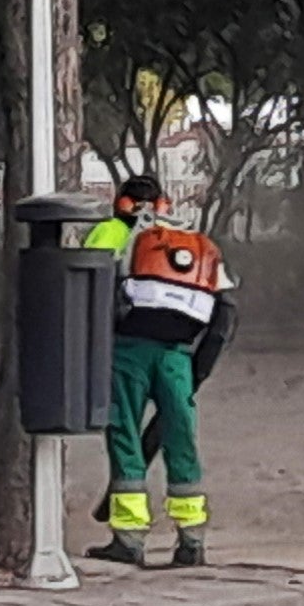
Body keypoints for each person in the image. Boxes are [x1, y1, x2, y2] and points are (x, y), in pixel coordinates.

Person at [86, 178, 230, 570]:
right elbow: (225, 310)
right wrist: (198, 370)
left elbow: (87, 291)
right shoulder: (188, 239)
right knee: (181, 441)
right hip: (178, 357)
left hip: (127, 352)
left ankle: (129, 540)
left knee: (125, 437)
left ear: (123, 202)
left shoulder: (110, 232)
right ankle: (192, 542)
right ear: (164, 204)